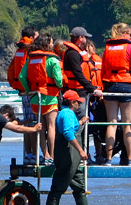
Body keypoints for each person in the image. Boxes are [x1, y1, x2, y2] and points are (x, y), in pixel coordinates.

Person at [43, 90, 101, 205]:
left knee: (78, 184)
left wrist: (80, 122)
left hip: (70, 155)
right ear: (72, 102)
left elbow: (69, 128)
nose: (79, 105)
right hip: (67, 154)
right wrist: (81, 151)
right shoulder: (68, 114)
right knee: (58, 185)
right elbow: (68, 133)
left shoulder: (64, 113)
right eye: (78, 103)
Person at [100, 22, 131, 165]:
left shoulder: (108, 47)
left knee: (111, 123)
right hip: (126, 85)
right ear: (125, 34)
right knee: (127, 124)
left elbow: (103, 69)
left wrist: (102, 86)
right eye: (130, 34)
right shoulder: (130, 46)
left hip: (110, 85)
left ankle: (108, 159)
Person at [19, 34, 64, 164]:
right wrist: (60, 86)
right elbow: (59, 80)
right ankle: (53, 156)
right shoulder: (53, 60)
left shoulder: (31, 58)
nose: (52, 44)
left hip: (35, 98)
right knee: (51, 127)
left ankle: (45, 155)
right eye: (51, 42)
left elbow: (22, 76)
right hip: (50, 97)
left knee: (40, 127)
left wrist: (28, 90)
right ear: (47, 44)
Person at [8, 27, 40, 162]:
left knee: (27, 123)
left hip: (22, 91)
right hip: (30, 90)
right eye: (37, 37)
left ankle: (28, 154)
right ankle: (34, 155)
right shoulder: (30, 51)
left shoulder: (19, 51)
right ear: (31, 38)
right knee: (32, 123)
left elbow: (11, 71)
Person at [59, 26, 100, 119]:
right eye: (85, 37)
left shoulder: (77, 52)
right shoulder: (73, 54)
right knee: (80, 118)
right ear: (80, 38)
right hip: (77, 92)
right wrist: (92, 88)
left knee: (83, 118)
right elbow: (78, 74)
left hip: (82, 90)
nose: (87, 39)